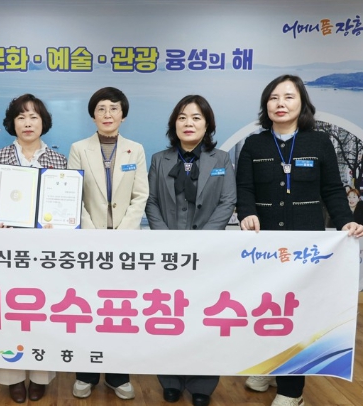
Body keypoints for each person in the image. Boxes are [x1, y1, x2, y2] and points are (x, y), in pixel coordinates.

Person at [236, 74, 363, 406]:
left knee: (295, 312)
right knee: (267, 307)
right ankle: (270, 367)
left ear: (302, 103)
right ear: (266, 105)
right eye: (273, 98)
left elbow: (333, 190)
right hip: (265, 244)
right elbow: (244, 189)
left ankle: (291, 391)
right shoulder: (254, 144)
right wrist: (247, 213)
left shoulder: (319, 142)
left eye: (288, 97)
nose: (280, 104)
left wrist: (346, 222)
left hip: (306, 246)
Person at [145, 95, 235, 406]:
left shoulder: (221, 159)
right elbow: (151, 201)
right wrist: (167, 240)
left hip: (208, 253)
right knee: (168, 315)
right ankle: (170, 380)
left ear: (207, 124)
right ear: (174, 124)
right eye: (182, 117)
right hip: (167, 254)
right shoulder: (160, 159)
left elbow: (227, 201)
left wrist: (202, 242)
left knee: (205, 318)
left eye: (196, 118)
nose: (188, 123)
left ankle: (201, 384)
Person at [0, 94, 65, 402]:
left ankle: (41, 374)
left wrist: (61, 225)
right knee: (11, 312)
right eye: (21, 117)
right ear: (12, 123)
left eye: (34, 117)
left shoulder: (58, 159)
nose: (28, 123)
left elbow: (65, 203)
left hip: (44, 252)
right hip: (8, 250)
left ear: (44, 123)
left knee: (43, 312)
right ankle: (12, 376)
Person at [67, 87, 149, 400]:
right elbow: (74, 194)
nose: (107, 114)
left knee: (120, 310)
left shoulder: (135, 149)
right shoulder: (79, 148)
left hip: (125, 244)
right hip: (89, 242)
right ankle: (85, 374)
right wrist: (94, 234)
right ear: (93, 115)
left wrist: (122, 234)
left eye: (114, 108)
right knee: (88, 309)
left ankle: (118, 376)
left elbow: (140, 195)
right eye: (101, 108)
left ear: (123, 115)